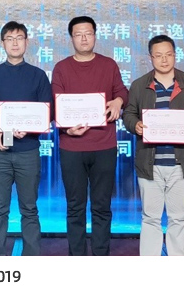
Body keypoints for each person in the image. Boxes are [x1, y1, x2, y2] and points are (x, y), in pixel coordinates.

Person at [122, 35, 184, 256]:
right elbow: (128, 114)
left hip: (180, 162)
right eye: (159, 55)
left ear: (175, 55)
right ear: (150, 58)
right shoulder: (139, 85)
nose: (164, 60)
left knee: (178, 217)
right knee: (150, 217)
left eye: (168, 55)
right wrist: (135, 125)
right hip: (149, 162)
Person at [51, 16, 128, 256]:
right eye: (78, 34)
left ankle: (100, 256)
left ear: (95, 35)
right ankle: (77, 258)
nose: (84, 38)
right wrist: (67, 129)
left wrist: (119, 100)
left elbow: (122, 91)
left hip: (104, 145)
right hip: (71, 147)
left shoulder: (109, 65)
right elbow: (56, 105)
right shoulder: (61, 68)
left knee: (102, 206)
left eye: (88, 33)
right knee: (75, 207)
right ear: (71, 38)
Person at [0, 21, 53, 256]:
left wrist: (29, 129)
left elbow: (47, 110)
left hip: (28, 150)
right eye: (9, 39)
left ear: (26, 42)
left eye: (19, 38)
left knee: (29, 209)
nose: (15, 43)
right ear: (3, 44)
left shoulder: (38, 75)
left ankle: (31, 257)